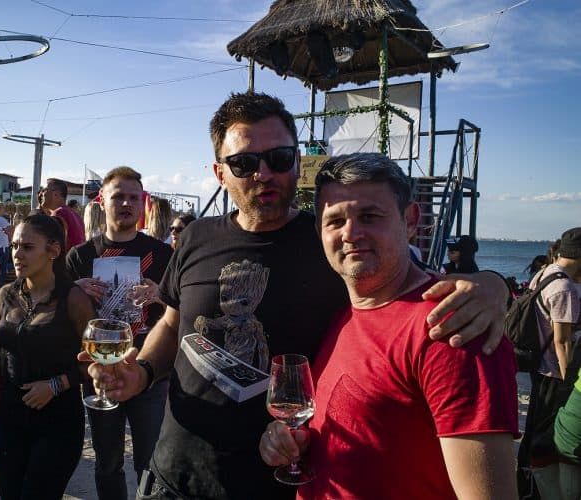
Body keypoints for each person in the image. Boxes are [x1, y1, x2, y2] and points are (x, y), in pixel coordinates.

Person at [87, 92, 511, 499]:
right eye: (244, 163)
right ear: (220, 174)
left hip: (278, 483)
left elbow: (399, 287)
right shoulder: (197, 237)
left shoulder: (330, 242)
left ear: (297, 162)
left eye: (279, 158)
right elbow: (172, 322)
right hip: (174, 474)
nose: (263, 173)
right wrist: (142, 372)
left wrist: (492, 285)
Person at [259, 152, 519, 499]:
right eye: (335, 221)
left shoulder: (452, 327)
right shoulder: (344, 313)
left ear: (410, 220)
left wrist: (494, 285)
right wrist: (294, 443)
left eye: (369, 216)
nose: (351, 234)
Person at [0, 214, 95, 500]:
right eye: (14, 246)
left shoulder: (73, 299)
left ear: (53, 250)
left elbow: (95, 359)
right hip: (11, 416)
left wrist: (57, 384)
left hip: (58, 420)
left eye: (27, 247)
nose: (17, 254)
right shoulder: (5, 295)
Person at [67, 167, 173, 500]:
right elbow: (58, 310)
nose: (126, 204)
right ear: (102, 202)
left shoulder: (163, 254)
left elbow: (183, 307)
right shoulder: (81, 256)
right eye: (118, 197)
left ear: (143, 204)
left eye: (133, 197)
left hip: (148, 370)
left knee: (150, 462)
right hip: (101, 374)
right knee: (108, 462)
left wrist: (160, 295)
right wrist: (74, 289)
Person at [519, 227, 581, 499]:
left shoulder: (545, 273)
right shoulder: (565, 288)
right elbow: (562, 341)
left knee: (536, 430)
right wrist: (571, 385)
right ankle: (536, 487)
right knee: (549, 437)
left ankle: (526, 482)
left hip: (539, 365)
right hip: (555, 372)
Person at [42, 179, 86, 247]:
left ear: (55, 194)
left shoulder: (59, 214)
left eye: (45, 190)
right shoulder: (75, 215)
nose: (42, 194)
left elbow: (52, 247)